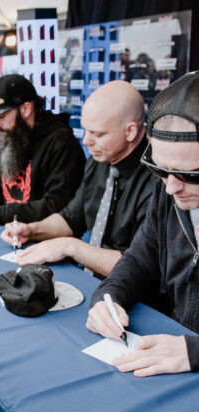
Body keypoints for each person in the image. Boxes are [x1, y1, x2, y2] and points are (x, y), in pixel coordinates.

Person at [87, 71, 199, 377]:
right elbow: (140, 257)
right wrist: (108, 297)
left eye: (191, 175)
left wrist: (194, 350)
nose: (172, 187)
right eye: (160, 169)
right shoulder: (170, 194)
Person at [1, 80, 157, 277]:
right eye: (85, 130)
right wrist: (31, 230)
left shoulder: (158, 182)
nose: (86, 141)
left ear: (130, 131)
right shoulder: (97, 162)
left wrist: (70, 247)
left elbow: (140, 266)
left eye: (97, 134)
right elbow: (71, 218)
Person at [0, 74, 85, 225]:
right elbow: (11, 184)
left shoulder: (61, 143)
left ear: (26, 109)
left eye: (1, 116)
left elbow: (58, 206)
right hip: (14, 232)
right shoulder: (17, 135)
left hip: (46, 241)